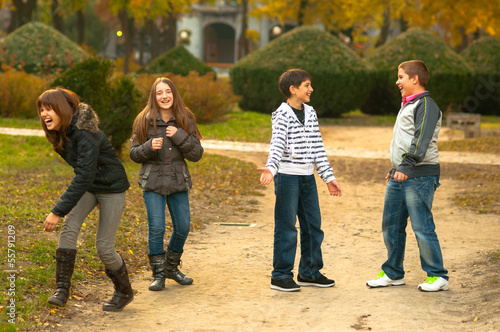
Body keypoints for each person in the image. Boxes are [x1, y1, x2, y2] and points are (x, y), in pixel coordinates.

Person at [37, 88, 133, 311]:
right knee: (69, 229)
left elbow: (84, 174)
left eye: (49, 108)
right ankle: (62, 289)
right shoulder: (59, 133)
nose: (44, 114)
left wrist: (57, 210)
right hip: (90, 185)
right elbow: (83, 170)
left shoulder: (84, 133)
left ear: (63, 108)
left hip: (111, 187)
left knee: (104, 247)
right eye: (41, 109)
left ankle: (124, 291)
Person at [366, 60, 449, 292]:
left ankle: (438, 275)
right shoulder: (408, 104)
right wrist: (396, 168)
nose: (397, 81)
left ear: (415, 79)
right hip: (401, 173)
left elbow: (421, 140)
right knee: (391, 225)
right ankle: (393, 273)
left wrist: (406, 166)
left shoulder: (426, 105)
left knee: (422, 226)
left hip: (420, 175)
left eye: (401, 76)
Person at [258, 69, 342, 292]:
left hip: (307, 178)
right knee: (287, 228)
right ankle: (281, 275)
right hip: (287, 178)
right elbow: (276, 144)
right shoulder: (282, 114)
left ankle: (310, 272)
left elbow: (317, 147)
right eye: (306, 85)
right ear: (292, 89)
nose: (311, 89)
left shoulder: (311, 112)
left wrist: (328, 177)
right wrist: (271, 169)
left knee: (313, 226)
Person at [129, 77, 203, 291]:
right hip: (153, 182)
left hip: (178, 181)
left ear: (174, 94)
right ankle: (159, 274)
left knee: (183, 227)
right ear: (154, 96)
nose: (164, 96)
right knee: (157, 228)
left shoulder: (184, 117)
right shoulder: (143, 119)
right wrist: (149, 146)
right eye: (159, 92)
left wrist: (180, 135)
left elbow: (197, 154)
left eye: (168, 91)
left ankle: (171, 267)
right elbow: (134, 154)